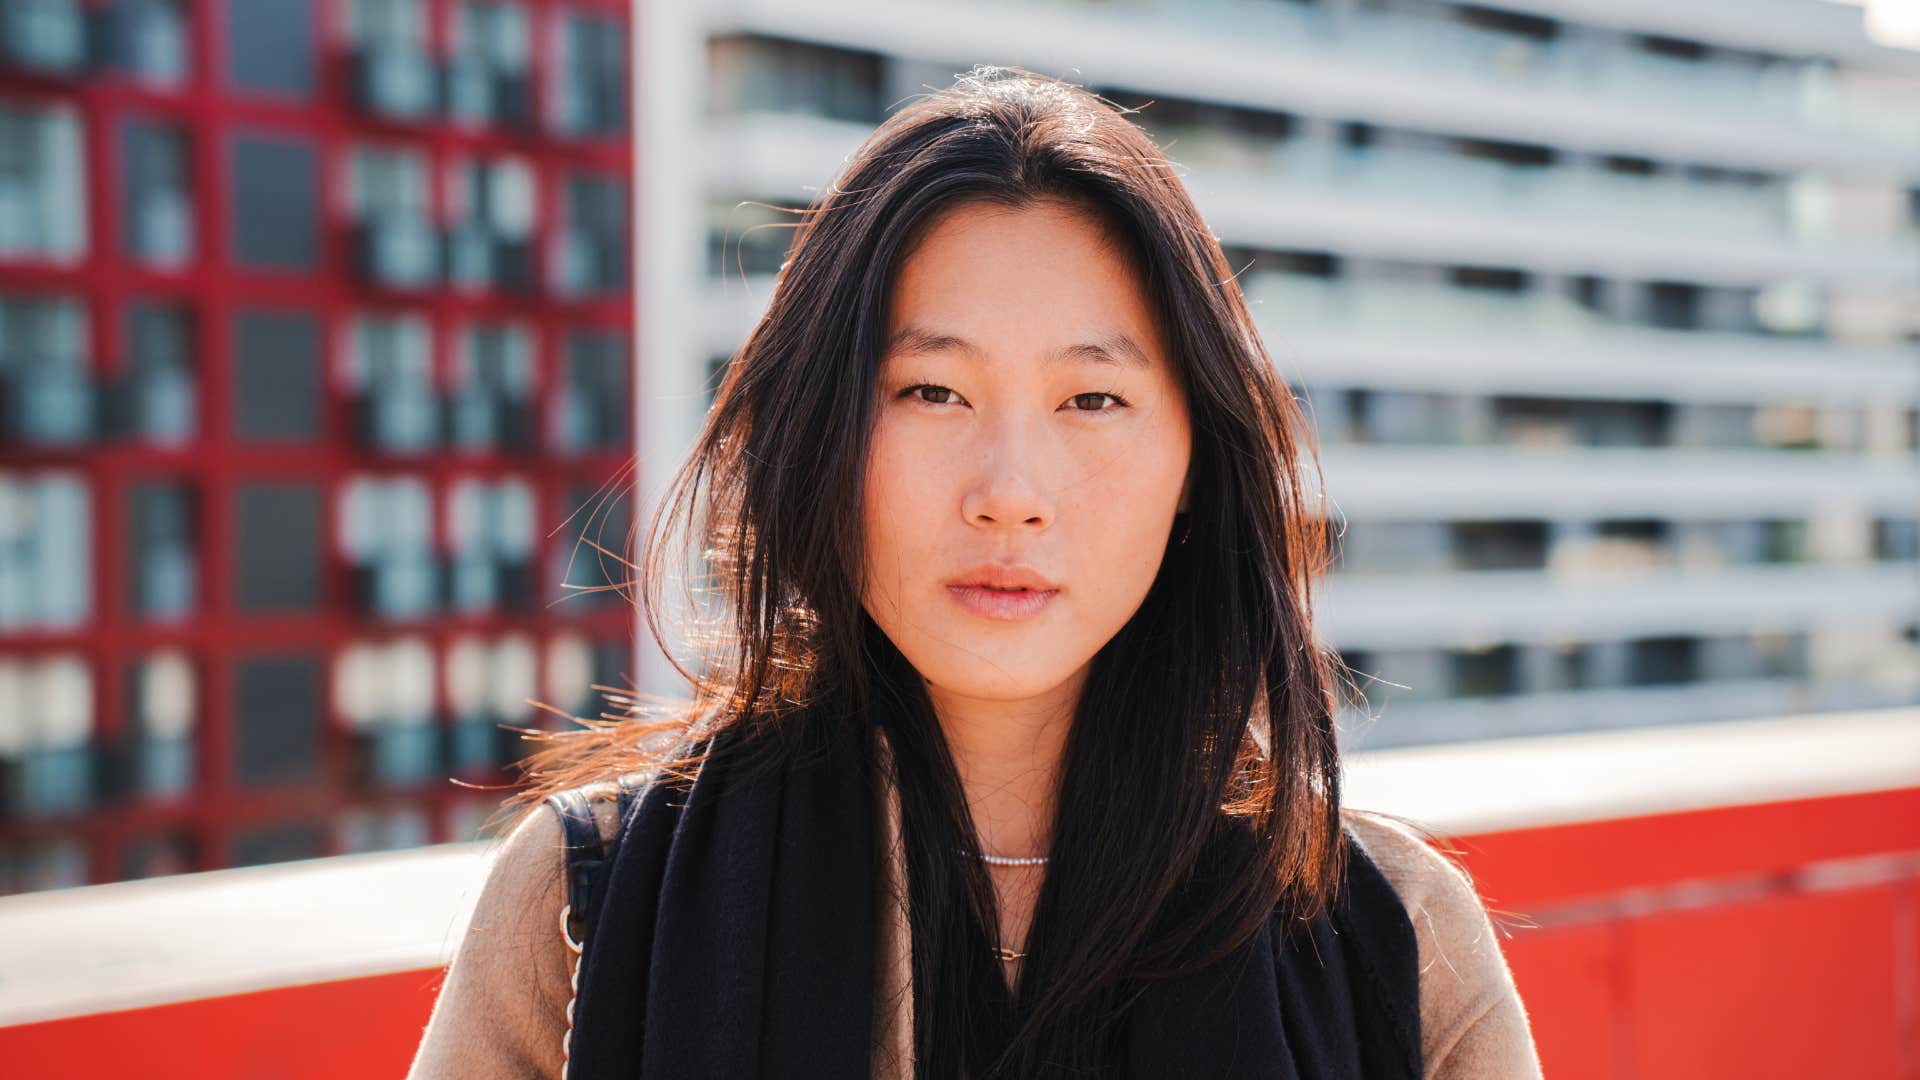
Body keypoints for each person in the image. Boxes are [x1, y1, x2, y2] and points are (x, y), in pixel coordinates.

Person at [408, 65, 1543, 1079]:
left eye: (1092, 400)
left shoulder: (1388, 939)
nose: (1010, 490)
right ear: (824, 435)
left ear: (1197, 459)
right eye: (930, 392)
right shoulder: (590, 904)